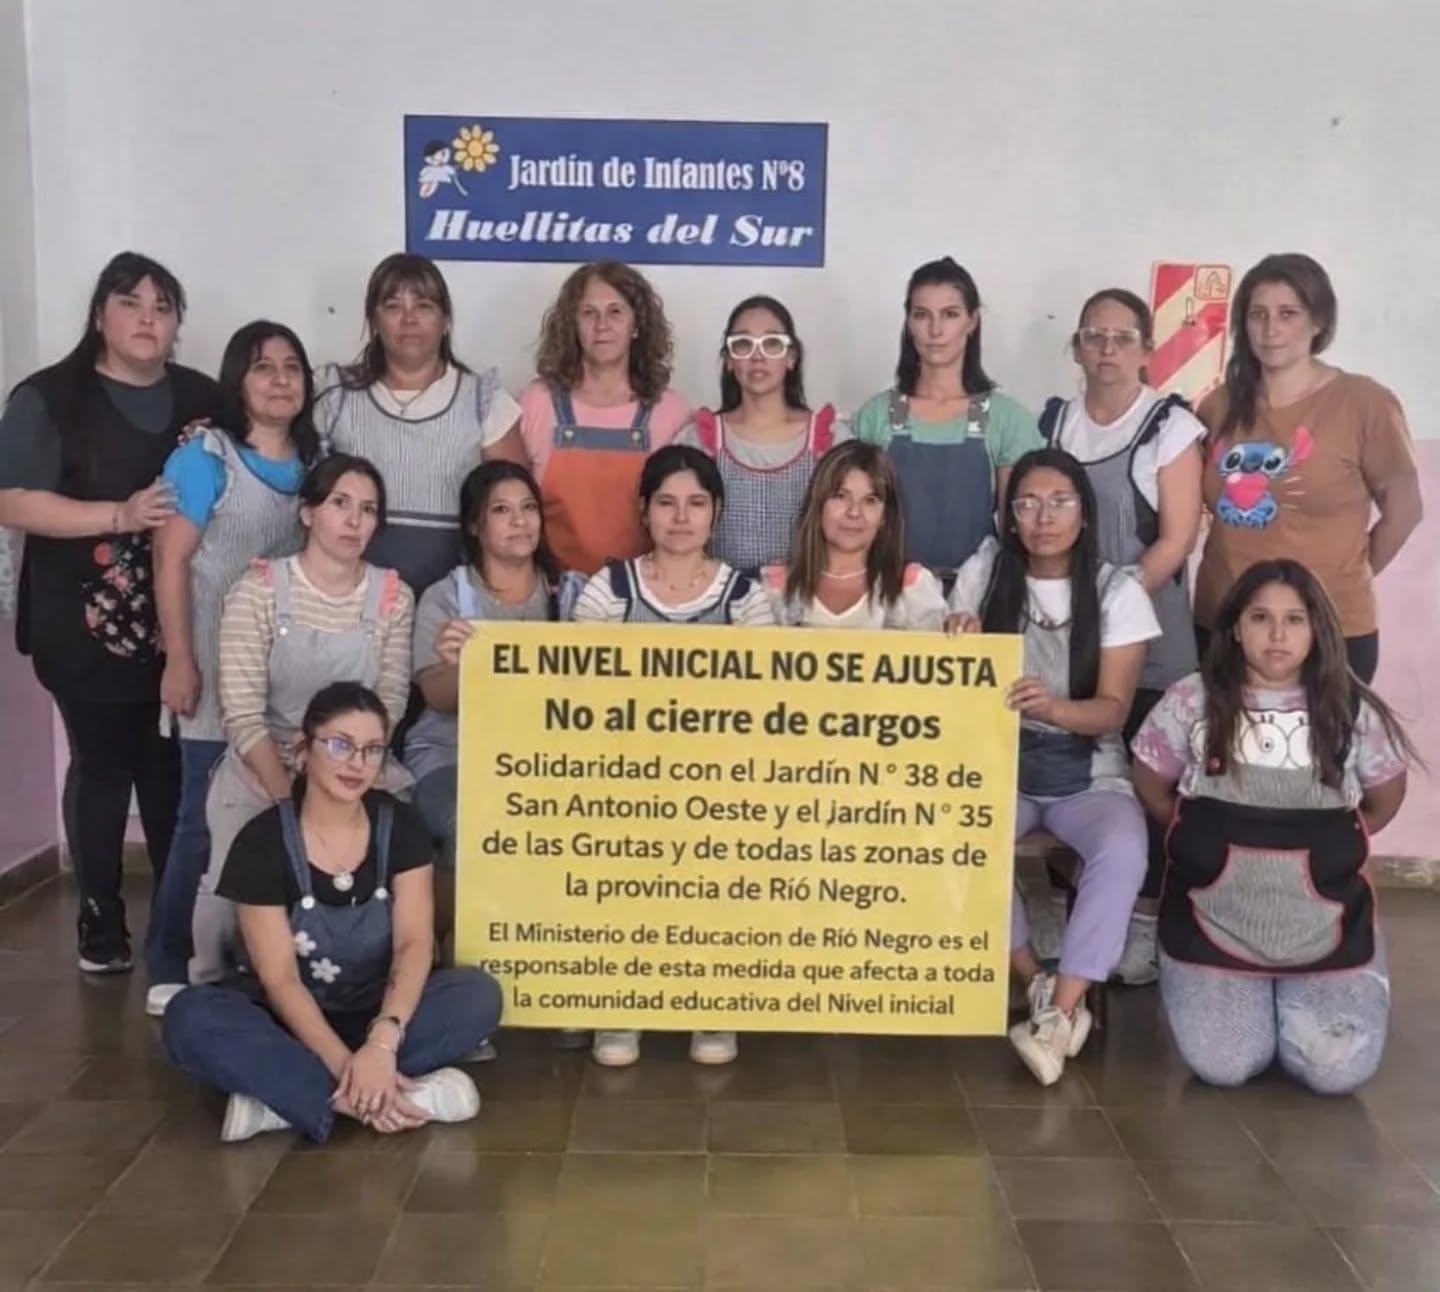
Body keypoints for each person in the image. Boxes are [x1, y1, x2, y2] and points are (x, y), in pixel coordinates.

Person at [0, 251, 221, 973]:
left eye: (162, 307)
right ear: (100, 315)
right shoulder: (50, 397)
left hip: (180, 621)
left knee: (168, 767)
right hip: (82, 622)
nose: (147, 319)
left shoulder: (203, 397)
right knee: (103, 763)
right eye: (131, 303)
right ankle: (100, 916)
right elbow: (11, 500)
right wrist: (118, 515)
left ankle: (175, 925)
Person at [163, 682, 501, 1142]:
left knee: (477, 995)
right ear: (304, 749)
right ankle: (376, 1096)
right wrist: (348, 1066)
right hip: (289, 1022)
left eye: (372, 749)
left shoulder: (401, 826)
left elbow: (414, 943)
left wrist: (381, 1044)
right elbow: (280, 979)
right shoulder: (261, 843)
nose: (356, 763)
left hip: (381, 1012)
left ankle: (288, 1101)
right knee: (190, 1015)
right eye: (340, 745)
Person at [1131, 560, 1415, 1094]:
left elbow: (1381, 803)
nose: (1278, 635)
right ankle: (1247, 1001)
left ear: (1316, 630)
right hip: (1214, 923)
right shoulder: (1192, 701)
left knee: (1338, 1072)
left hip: (1323, 927)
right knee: (1225, 1065)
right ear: (1237, 628)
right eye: (1260, 618)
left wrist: (1317, 847)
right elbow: (1150, 784)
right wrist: (1204, 836)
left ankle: (1307, 993)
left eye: (1295, 619)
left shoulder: (1349, 709)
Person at [947, 449, 1159, 1086]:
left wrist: (1055, 708)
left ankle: (1061, 1011)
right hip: (998, 761)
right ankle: (1031, 978)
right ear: (1009, 516)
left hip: (1087, 768)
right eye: (1028, 503)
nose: (1043, 517)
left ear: (1084, 513)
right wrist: (956, 633)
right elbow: (951, 686)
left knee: (1124, 848)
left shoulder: (1118, 591)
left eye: (1060, 502)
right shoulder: (985, 571)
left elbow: (1113, 710)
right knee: (956, 836)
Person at [571, 445, 773, 1067]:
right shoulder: (608, 589)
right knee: (620, 885)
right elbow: (577, 689)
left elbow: (767, 701)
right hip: (623, 777)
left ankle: (713, 1003)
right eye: (666, 503)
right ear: (644, 511)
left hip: (720, 780)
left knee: (719, 885)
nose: (681, 518)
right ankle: (620, 1003)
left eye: (695, 504)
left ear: (716, 512)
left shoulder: (746, 597)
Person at [145, 322, 322, 1014]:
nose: (279, 380)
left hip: (291, 678)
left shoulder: (317, 463)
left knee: (282, 815)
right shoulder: (205, 457)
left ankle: (264, 962)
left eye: (291, 367)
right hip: (216, 673)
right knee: (201, 820)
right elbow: (170, 560)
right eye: (262, 367)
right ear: (236, 381)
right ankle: (170, 959)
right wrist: (179, 659)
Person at [189, 454, 415, 986]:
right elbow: (242, 712)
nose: (354, 520)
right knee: (227, 892)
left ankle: (368, 989)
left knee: (396, 869)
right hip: (265, 767)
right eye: (340, 503)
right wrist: (290, 801)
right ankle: (214, 987)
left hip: (357, 766)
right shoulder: (258, 590)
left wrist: (348, 772)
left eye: (368, 509)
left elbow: (390, 699)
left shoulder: (393, 596)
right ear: (308, 512)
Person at [1036, 288, 1207, 985]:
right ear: (1077, 347)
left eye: (1122, 336)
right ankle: (1071, 910)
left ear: (1146, 350)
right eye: (1094, 335)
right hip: (1065, 639)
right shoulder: (1054, 422)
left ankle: (1142, 924)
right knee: (1068, 771)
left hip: (1149, 637)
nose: (1107, 348)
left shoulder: (1170, 426)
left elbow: (1176, 538)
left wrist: (1112, 607)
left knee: (1147, 779)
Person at [1194, 253, 1421, 684]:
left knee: (1324, 733)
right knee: (1221, 731)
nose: (1270, 328)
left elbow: (1405, 510)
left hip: (1329, 627)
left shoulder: (1364, 403)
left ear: (1318, 322)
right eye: (1258, 314)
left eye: (1288, 313)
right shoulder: (1218, 405)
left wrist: (1345, 577)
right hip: (1225, 622)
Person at [408, 461, 559, 939]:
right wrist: (465, 664)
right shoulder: (446, 598)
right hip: (451, 755)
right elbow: (435, 696)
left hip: (544, 764)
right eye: (501, 510)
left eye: (528, 507)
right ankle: (446, 954)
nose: (519, 521)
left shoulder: (571, 594)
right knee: (471, 820)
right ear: (474, 525)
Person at [315, 253, 525, 594]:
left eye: (423, 306)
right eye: (393, 307)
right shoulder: (333, 394)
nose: (409, 320)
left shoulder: (484, 400)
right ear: (374, 320)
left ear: (445, 320)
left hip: (455, 600)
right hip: (346, 597)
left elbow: (515, 512)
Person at [853, 257, 1042, 585]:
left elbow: (1017, 531)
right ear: (908, 322)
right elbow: (855, 522)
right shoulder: (877, 415)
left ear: (972, 321)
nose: (935, 331)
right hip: (890, 594)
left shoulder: (1007, 418)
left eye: (950, 314)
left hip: (978, 594)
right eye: (922, 315)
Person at [520, 261, 690, 576]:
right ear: (571, 325)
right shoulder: (537, 402)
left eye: (615, 312)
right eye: (589, 313)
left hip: (644, 593)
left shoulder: (671, 411)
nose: (602, 325)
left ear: (637, 324)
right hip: (552, 590)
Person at [678, 295, 843, 569]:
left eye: (772, 344)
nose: (757, 357)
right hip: (721, 593)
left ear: (791, 358)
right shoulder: (698, 441)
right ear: (729, 361)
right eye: (743, 344)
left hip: (807, 592)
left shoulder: (832, 440)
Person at [764, 440, 947, 630]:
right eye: (840, 496)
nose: (854, 512)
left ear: (885, 516)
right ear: (818, 506)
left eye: (870, 501)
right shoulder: (774, 589)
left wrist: (959, 627)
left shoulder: (912, 587)